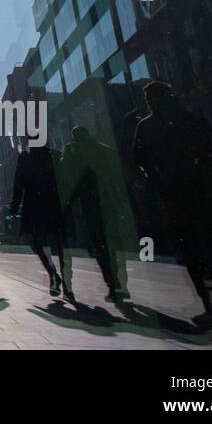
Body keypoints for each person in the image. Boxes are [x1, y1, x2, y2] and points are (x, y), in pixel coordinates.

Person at [132, 81, 212, 327]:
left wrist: (157, 180)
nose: (149, 103)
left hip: (175, 196)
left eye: (150, 98)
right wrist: (206, 172)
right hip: (201, 192)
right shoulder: (190, 120)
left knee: (191, 252)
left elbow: (139, 161)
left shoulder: (147, 126)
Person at [60, 124, 133, 304]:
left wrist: (68, 204)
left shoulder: (74, 153)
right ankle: (118, 283)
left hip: (92, 205)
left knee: (100, 245)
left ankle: (113, 283)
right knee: (113, 244)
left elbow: (67, 178)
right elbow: (118, 177)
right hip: (108, 203)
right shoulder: (104, 150)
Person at [10, 138, 71, 300]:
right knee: (58, 243)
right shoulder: (55, 155)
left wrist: (14, 207)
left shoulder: (25, 157)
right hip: (53, 203)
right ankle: (64, 281)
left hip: (34, 204)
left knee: (36, 241)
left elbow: (19, 183)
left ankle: (54, 275)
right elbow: (65, 181)